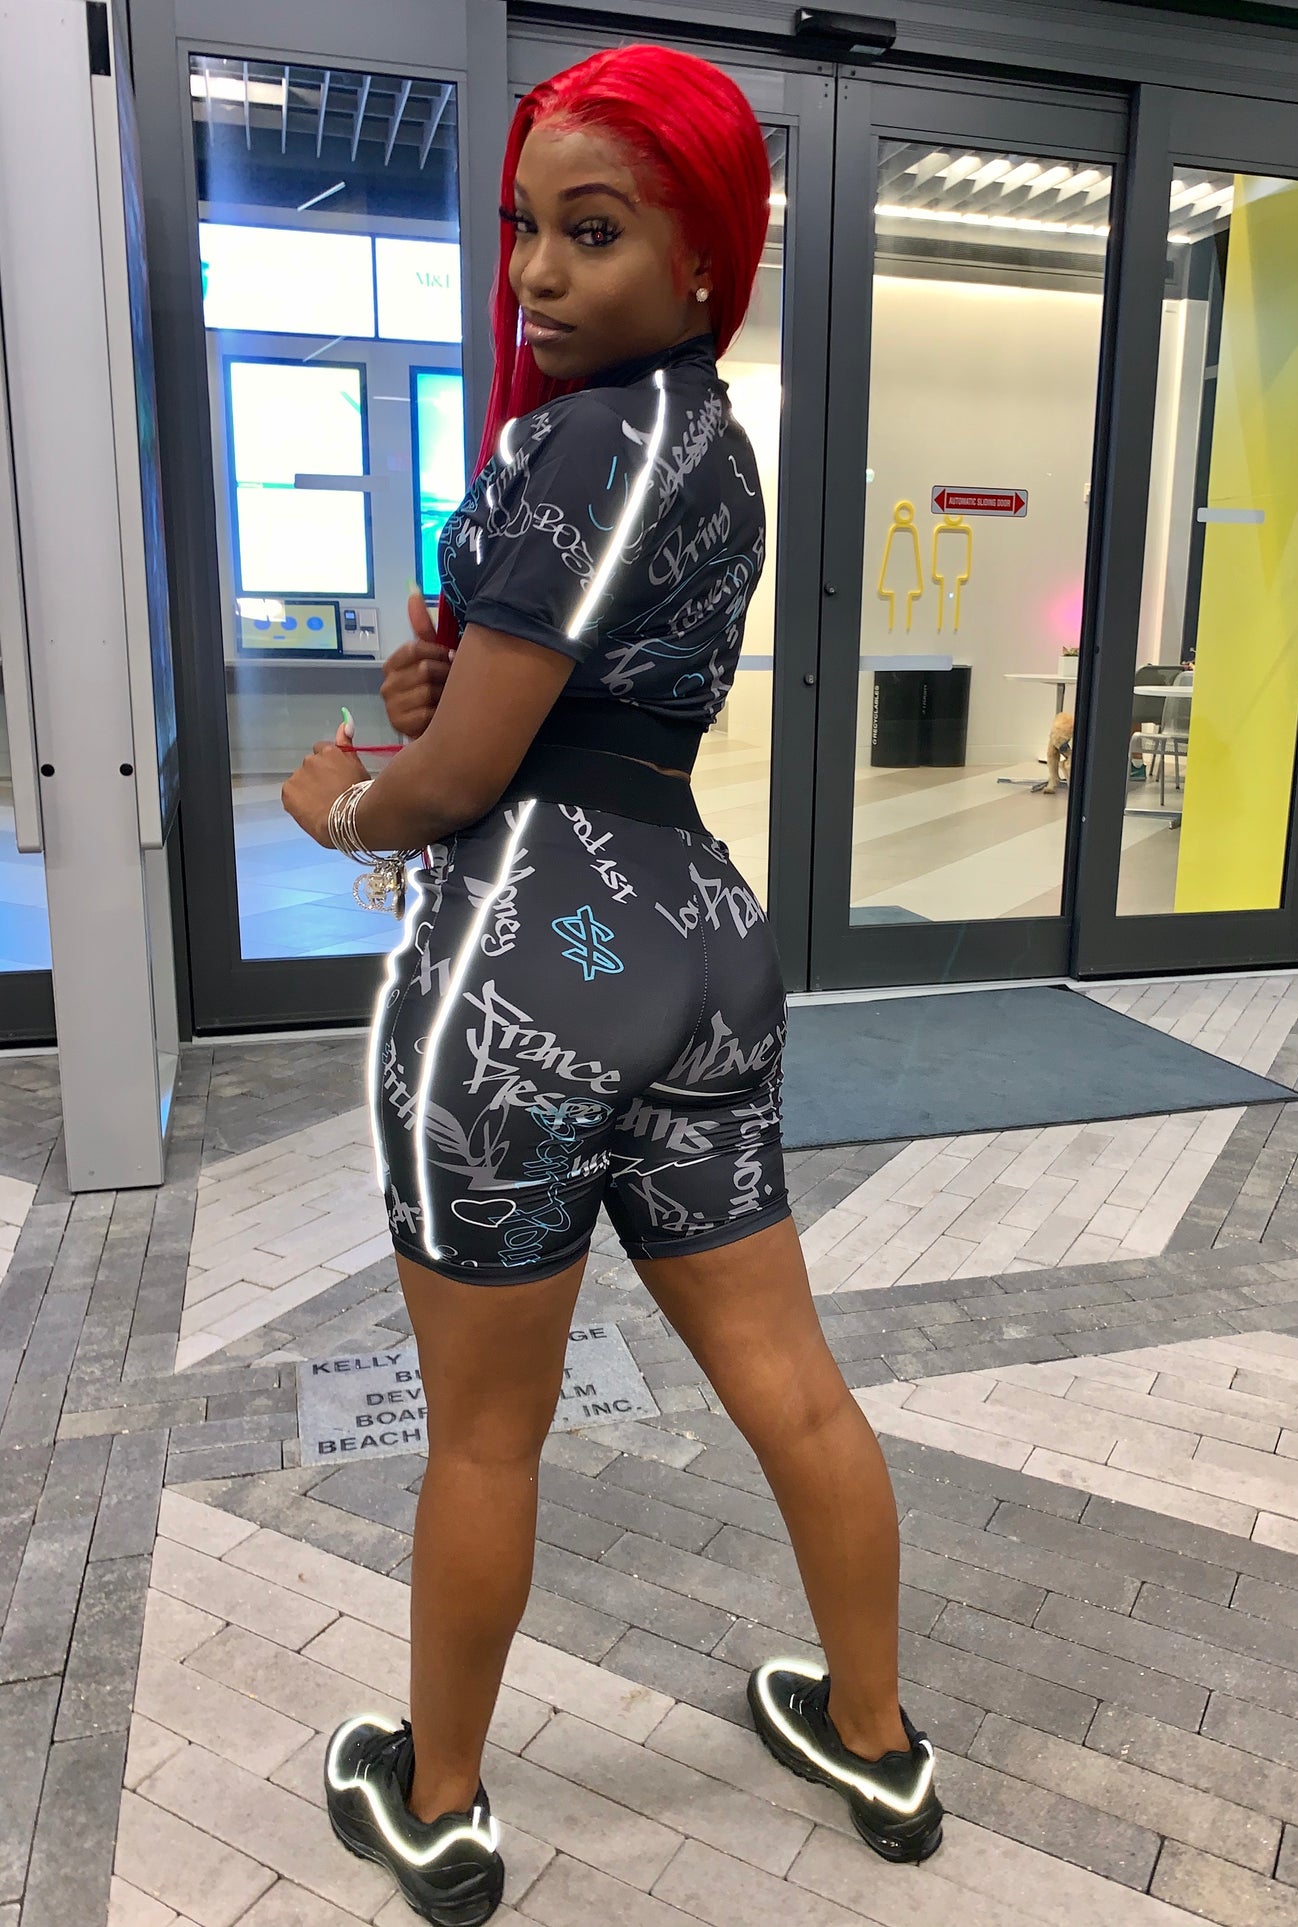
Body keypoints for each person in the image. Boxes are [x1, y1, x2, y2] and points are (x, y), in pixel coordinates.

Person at [282, 43, 942, 1927]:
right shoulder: (711, 445)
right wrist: (445, 697)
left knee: (486, 1432)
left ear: (704, 256)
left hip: (529, 967)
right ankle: (876, 1737)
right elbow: (567, 697)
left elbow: (456, 786)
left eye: (593, 232)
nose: (538, 274)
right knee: (791, 1388)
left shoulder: (577, 441)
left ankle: (438, 1804)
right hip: (697, 941)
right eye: (525, 230)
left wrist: (341, 808)